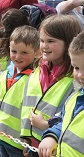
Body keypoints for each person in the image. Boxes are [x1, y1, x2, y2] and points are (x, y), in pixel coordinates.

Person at [20, 15, 82, 157]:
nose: (44, 46)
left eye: (51, 41)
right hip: (34, 144)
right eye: (42, 40)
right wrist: (26, 137)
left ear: (69, 42)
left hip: (55, 149)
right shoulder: (38, 70)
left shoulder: (76, 78)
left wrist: (47, 125)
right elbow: (27, 106)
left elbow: (72, 114)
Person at [0, 25, 40, 157]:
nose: (17, 56)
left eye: (24, 52)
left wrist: (29, 139)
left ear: (36, 52)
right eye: (14, 51)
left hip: (18, 143)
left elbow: (32, 111)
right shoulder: (5, 74)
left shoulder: (35, 79)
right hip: (0, 136)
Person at [38, 31, 84, 157]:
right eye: (77, 68)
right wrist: (51, 136)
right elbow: (64, 122)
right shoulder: (75, 98)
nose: (80, 75)